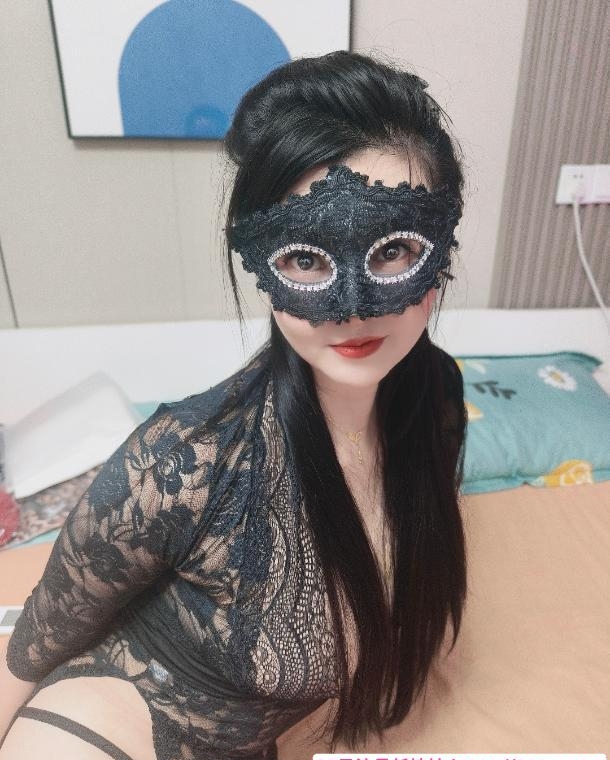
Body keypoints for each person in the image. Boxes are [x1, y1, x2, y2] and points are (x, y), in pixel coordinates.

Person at [0, 50, 467, 760]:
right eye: (306, 258)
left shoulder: (437, 400)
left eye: (394, 249)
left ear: (443, 248)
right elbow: (34, 643)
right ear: (261, 263)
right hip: (114, 718)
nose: (352, 309)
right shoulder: (183, 462)